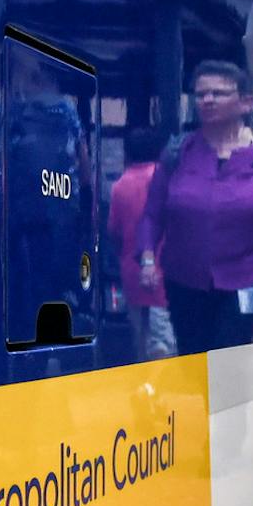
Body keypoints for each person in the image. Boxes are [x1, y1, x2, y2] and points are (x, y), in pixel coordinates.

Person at [138, 59, 253, 351]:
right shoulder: (178, 151)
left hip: (245, 278)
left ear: (244, 102)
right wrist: (146, 259)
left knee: (229, 357)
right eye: (200, 94)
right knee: (193, 361)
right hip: (185, 281)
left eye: (218, 93)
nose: (207, 100)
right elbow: (152, 214)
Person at [108, 127, 174, 356]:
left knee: (141, 338)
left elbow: (114, 232)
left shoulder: (119, 186)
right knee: (164, 337)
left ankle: (147, 385)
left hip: (132, 271)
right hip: (165, 270)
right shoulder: (166, 179)